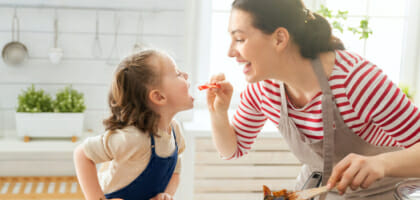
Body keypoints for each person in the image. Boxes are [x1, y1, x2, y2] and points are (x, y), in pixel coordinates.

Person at [206, 0, 420, 199]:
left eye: (240, 39)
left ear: (279, 38)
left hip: (385, 193)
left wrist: (382, 163)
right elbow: (233, 149)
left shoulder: (356, 81)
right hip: (317, 191)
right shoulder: (263, 90)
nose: (230, 52)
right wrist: (219, 113)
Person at [73, 50, 194, 200]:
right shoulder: (133, 139)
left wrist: (166, 195)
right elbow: (82, 154)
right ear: (159, 96)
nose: (186, 75)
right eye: (177, 74)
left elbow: (175, 171)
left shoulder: (175, 132)